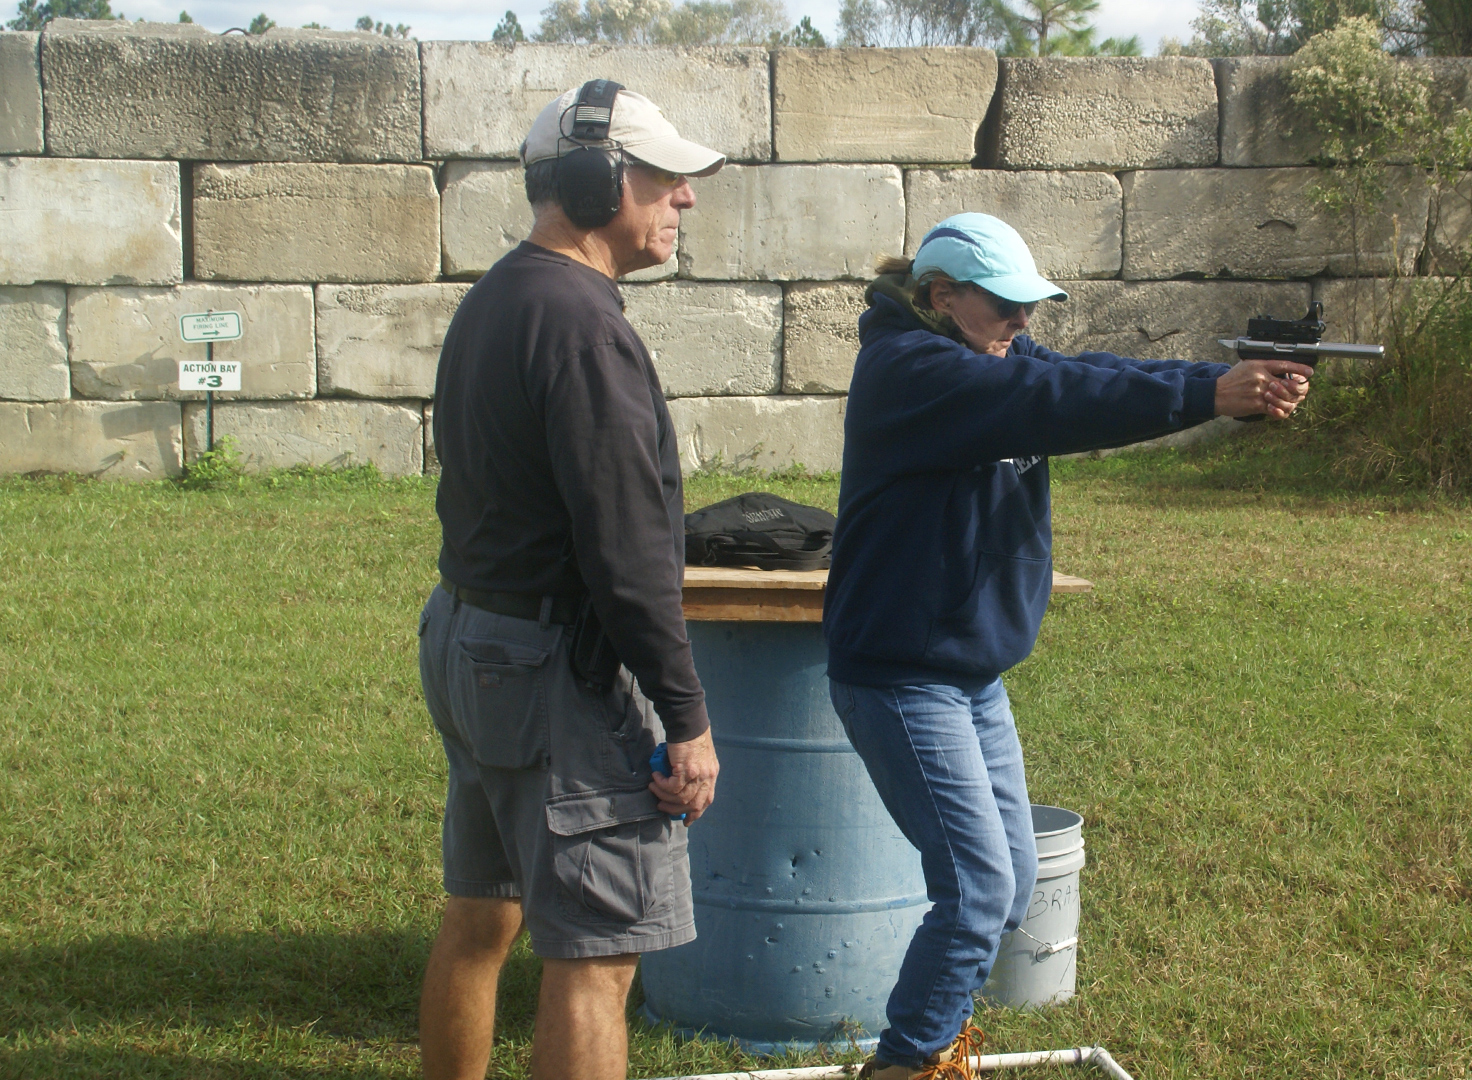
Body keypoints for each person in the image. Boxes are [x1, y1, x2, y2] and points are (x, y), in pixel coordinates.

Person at [823, 213, 1313, 1079]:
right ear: (943, 299)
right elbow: (1056, 402)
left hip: (968, 675)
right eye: (1006, 307)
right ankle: (906, 1066)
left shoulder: (988, 354)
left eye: (1028, 307)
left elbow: (1095, 374)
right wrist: (1211, 396)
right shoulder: (912, 370)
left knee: (1005, 887)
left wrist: (1223, 382)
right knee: (975, 894)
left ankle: (928, 1048)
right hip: (903, 674)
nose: (1023, 325)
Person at [415, 81, 725, 1080]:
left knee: (481, 920)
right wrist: (686, 719)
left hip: (474, 640)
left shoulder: (501, 294)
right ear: (599, 182)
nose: (684, 201)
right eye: (665, 179)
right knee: (598, 956)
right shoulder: (586, 331)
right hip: (552, 672)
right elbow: (628, 557)